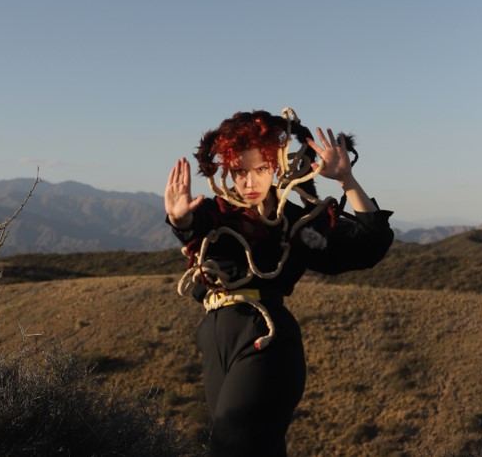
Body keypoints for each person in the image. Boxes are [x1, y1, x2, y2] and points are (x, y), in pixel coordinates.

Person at [164, 108, 393, 457]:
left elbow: (367, 246)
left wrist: (347, 179)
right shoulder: (216, 214)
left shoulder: (297, 224)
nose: (249, 182)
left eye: (260, 169)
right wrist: (179, 219)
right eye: (239, 171)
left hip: (266, 338)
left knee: (231, 447)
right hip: (215, 340)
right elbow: (193, 227)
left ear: (276, 166)